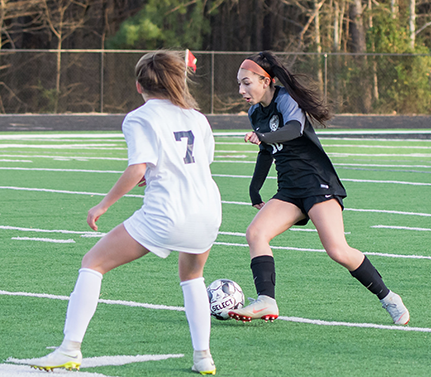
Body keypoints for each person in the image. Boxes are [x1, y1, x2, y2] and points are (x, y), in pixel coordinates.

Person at [29, 50, 222, 375]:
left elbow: (137, 168)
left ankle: (69, 349)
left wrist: (103, 205)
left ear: (138, 86)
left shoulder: (139, 117)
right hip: (208, 210)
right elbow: (199, 162)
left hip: (168, 211)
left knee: (93, 263)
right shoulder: (196, 117)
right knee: (192, 278)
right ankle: (203, 357)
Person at [227, 51, 409, 325]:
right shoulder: (255, 112)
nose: (241, 90)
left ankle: (390, 298)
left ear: (266, 81)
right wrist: (255, 189)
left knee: (338, 250)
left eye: (246, 83)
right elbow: (266, 151)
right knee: (255, 233)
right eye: (239, 84)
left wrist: (262, 136)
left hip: (317, 183)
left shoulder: (286, 99)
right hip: (289, 189)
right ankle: (266, 299)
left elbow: (293, 130)